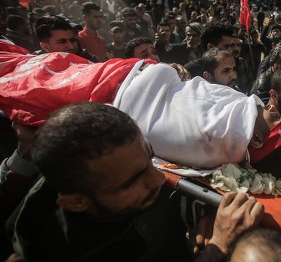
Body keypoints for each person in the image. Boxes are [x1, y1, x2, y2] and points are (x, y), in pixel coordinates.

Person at [6, 102, 264, 262]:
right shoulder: (66, 252)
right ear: (76, 203)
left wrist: (202, 212)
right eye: (133, 181)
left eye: (149, 159)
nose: (159, 178)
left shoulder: (121, 176)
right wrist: (218, 246)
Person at [34, 15, 99, 62]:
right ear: (45, 47)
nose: (71, 46)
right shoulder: (33, 65)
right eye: (62, 42)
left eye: (72, 40)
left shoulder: (87, 59)